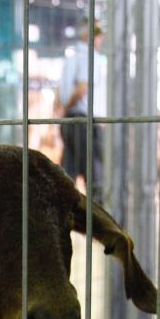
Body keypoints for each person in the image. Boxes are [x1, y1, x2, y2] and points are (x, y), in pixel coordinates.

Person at [58, 17, 106, 202]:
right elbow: (82, 87)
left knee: (67, 175)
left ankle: (59, 217)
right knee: (95, 179)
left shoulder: (71, 56)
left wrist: (63, 108)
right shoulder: (89, 56)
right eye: (98, 35)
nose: (101, 40)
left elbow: (61, 90)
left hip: (70, 122)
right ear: (88, 35)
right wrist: (66, 106)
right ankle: (98, 226)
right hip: (84, 122)